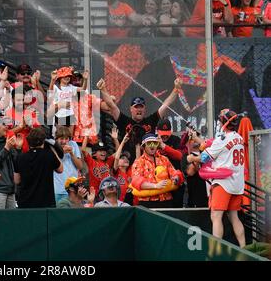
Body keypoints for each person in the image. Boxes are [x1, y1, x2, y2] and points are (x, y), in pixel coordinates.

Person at [187, 109, 246, 247]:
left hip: (223, 183)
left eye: (220, 120)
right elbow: (214, 144)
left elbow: (204, 157)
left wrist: (191, 157)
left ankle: (216, 251)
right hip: (237, 184)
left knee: (216, 216)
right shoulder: (239, 138)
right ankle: (244, 248)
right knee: (234, 217)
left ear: (223, 122)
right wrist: (197, 138)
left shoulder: (222, 140)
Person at [97, 77, 181, 164]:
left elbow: (166, 105)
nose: (139, 109)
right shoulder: (123, 120)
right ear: (131, 109)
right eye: (136, 107)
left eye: (141, 107)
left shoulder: (151, 120)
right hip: (127, 166)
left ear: (145, 109)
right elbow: (111, 105)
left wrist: (176, 89)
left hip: (148, 165)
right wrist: (103, 89)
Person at [14, 127, 64, 208]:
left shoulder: (20, 157)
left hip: (25, 202)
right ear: (43, 141)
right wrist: (53, 149)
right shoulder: (49, 155)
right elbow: (60, 169)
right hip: (45, 203)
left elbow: (16, 180)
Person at [131, 134, 183, 208]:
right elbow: (136, 181)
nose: (152, 146)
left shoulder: (164, 159)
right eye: (149, 143)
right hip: (147, 203)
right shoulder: (139, 162)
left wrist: (176, 178)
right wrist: (155, 186)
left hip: (166, 201)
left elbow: (174, 172)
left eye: (154, 143)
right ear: (143, 146)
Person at [53, 126, 83, 203]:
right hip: (58, 190)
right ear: (56, 139)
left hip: (73, 190)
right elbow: (52, 164)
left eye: (66, 139)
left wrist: (72, 153)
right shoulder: (53, 146)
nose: (64, 141)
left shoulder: (73, 144)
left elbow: (80, 166)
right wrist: (62, 152)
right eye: (61, 139)